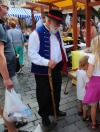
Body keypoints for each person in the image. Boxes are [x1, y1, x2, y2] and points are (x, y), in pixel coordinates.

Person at [28, 10, 68, 126]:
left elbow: (60, 47)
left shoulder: (56, 31)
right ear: (49, 20)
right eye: (57, 23)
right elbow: (32, 54)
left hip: (56, 68)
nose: (59, 26)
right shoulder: (36, 34)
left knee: (56, 90)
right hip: (42, 70)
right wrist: (46, 62)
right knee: (43, 94)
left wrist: (63, 61)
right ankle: (44, 116)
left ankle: (54, 109)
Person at [0, 1, 28, 131]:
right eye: (6, 7)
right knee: (10, 99)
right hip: (6, 73)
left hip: (7, 71)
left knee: (7, 100)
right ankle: (14, 127)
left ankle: (12, 127)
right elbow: (0, 55)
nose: (7, 9)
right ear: (1, 7)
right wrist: (6, 77)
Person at [76, 56, 89, 121]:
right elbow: (87, 81)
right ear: (86, 64)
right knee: (85, 105)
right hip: (84, 93)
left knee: (80, 102)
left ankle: (79, 110)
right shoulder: (84, 74)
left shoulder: (78, 71)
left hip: (79, 92)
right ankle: (84, 116)